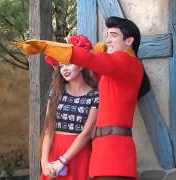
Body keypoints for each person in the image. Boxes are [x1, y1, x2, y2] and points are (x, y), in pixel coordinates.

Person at [14, 16, 151, 180]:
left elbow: (90, 60)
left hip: (114, 156)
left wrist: (46, 46)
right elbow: (94, 66)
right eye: (107, 35)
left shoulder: (126, 61)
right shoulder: (118, 70)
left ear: (129, 41)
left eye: (113, 35)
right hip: (103, 154)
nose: (108, 40)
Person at [39, 35, 99, 180]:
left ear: (81, 64)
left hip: (79, 154)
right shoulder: (56, 92)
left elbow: (86, 134)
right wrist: (44, 161)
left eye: (69, 63)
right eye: (61, 65)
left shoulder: (95, 96)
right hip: (54, 151)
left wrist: (62, 161)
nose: (65, 69)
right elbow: (48, 128)